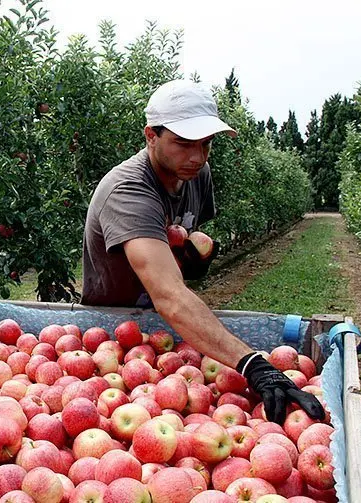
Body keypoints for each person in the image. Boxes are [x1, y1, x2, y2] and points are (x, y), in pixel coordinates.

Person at [81, 80, 324, 424]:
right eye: (183, 143)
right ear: (151, 135)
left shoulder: (196, 173)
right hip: (115, 335)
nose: (197, 157)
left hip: (173, 335)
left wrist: (195, 257)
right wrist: (253, 364)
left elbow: (189, 237)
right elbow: (169, 296)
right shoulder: (128, 192)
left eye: (206, 144)